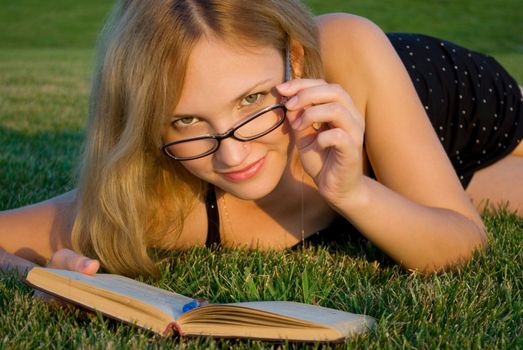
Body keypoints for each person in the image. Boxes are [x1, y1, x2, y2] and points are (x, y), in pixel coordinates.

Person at [1, 0, 522, 279]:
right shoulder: (162, 192)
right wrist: (36, 281)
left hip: (466, 111)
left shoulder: (348, 49)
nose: (231, 154)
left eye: (251, 100)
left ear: (294, 58)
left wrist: (354, 193)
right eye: (184, 121)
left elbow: (465, 249)